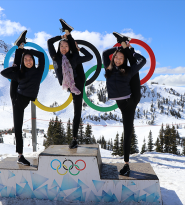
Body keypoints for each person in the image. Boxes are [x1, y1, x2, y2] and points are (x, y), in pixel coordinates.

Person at [103, 32, 146, 175]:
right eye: (116, 57)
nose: (118, 60)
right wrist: (119, 47)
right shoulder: (108, 69)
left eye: (121, 58)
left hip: (131, 101)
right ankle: (125, 43)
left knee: (127, 132)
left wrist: (128, 50)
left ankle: (126, 164)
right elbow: (104, 53)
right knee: (126, 131)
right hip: (122, 104)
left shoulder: (128, 69)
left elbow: (143, 60)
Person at [0, 30, 45, 166]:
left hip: (21, 96)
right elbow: (3, 72)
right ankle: (20, 155)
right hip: (17, 100)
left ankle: (19, 45)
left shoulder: (38, 71)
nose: (28, 61)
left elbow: (42, 55)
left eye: (30, 59)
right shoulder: (20, 72)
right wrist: (15, 67)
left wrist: (25, 50)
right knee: (18, 127)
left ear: (33, 60)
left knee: (16, 68)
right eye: (25, 60)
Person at [47, 19, 93, 149]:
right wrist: (61, 37)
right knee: (76, 110)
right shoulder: (55, 57)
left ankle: (74, 139)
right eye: (62, 46)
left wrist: (79, 48)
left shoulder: (74, 57)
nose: (64, 48)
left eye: (66, 46)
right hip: (68, 84)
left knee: (77, 111)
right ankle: (68, 32)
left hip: (77, 84)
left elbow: (89, 57)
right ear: (59, 47)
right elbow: (50, 42)